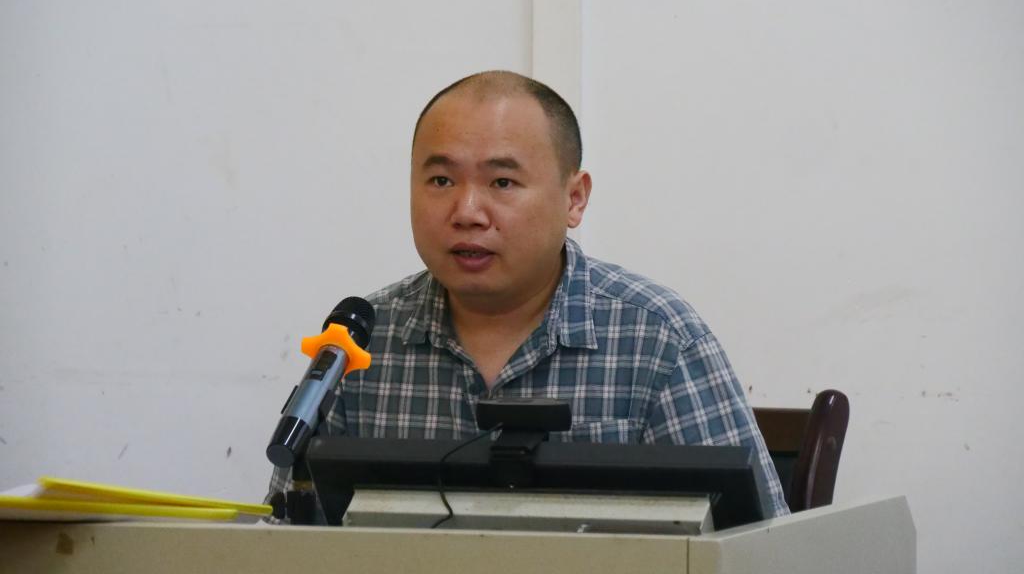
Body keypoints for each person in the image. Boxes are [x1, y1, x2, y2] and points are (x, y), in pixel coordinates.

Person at [267, 70, 789, 519]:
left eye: (502, 183)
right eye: (442, 180)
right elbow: (288, 536)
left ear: (574, 198)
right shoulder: (362, 341)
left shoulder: (658, 340)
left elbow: (758, 548)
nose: (467, 212)